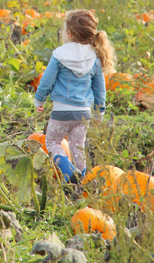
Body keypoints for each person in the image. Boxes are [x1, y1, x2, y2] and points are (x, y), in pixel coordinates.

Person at [34, 9, 116, 182]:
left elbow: (46, 81)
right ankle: (82, 183)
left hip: (61, 112)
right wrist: (99, 112)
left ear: (69, 33)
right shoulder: (94, 57)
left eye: (63, 30)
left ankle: (70, 174)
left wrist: (39, 99)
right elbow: (100, 88)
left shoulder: (59, 55)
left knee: (53, 143)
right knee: (77, 149)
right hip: (83, 114)